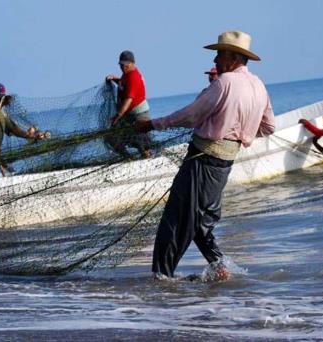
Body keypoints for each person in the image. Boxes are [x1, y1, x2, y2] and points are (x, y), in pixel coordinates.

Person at [135, 31, 275, 280]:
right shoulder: (258, 85)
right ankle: (222, 269)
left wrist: (152, 124)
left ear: (233, 56)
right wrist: (240, 129)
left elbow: (191, 115)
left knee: (176, 220)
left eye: (219, 54)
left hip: (202, 160)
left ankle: (161, 279)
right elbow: (268, 127)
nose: (215, 61)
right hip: (223, 164)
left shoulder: (225, 82)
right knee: (199, 223)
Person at [105, 50, 152, 159]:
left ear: (132, 63)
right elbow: (123, 85)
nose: (123, 67)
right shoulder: (126, 75)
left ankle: (148, 160)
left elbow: (128, 100)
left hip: (139, 115)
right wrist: (115, 79)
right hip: (128, 115)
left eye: (125, 65)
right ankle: (129, 159)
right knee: (111, 138)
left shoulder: (134, 77)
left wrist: (118, 115)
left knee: (142, 144)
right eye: (121, 65)